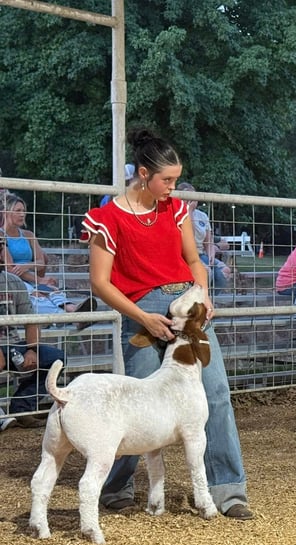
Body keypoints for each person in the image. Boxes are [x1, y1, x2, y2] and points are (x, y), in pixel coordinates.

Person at [80, 128, 253, 519]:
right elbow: (100, 282)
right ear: (144, 174)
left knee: (216, 393)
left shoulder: (175, 210)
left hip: (189, 310)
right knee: (137, 401)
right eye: (168, 180)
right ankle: (117, 485)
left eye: (176, 180)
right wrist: (142, 317)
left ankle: (228, 490)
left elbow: (194, 260)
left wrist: (203, 293)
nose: (173, 188)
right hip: (142, 313)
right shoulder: (107, 219)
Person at [1, 193, 96, 320]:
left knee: (53, 290)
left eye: (23, 211)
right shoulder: (1, 236)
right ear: (6, 212)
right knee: (37, 295)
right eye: (18, 211)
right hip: (14, 280)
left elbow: (41, 261)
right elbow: (11, 269)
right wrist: (39, 280)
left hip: (31, 276)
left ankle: (73, 309)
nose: (22, 214)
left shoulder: (28, 235)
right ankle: (67, 318)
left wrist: (27, 266)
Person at [0, 268, 65, 429]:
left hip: (11, 344)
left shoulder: (12, 281)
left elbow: (31, 320)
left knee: (56, 359)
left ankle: (21, 409)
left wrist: (32, 350)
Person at [180, 183, 232, 294]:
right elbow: (190, 235)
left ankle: (212, 298)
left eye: (194, 197)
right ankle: (201, 299)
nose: (192, 200)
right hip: (186, 254)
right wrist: (189, 211)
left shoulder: (202, 216)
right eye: (188, 197)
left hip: (201, 253)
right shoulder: (179, 214)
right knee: (206, 272)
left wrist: (211, 255)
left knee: (224, 271)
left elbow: (208, 240)